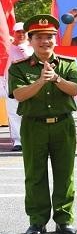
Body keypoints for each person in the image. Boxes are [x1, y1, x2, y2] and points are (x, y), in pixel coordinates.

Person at [8, 14, 77, 234]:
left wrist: (56, 79)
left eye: (49, 37)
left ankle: (64, 219)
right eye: (39, 37)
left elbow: (75, 89)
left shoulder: (69, 64)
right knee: (35, 175)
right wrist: (40, 80)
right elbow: (19, 95)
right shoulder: (19, 67)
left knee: (64, 174)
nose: (45, 41)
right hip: (33, 126)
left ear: (55, 39)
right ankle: (37, 221)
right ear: (30, 41)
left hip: (63, 125)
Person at [4, 22, 33, 151]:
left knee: (31, 112)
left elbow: (35, 63)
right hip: (11, 84)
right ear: (13, 33)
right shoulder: (7, 47)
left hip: (30, 84)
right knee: (13, 112)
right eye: (18, 32)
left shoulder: (32, 47)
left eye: (23, 32)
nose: (21, 34)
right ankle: (17, 141)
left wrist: (26, 51)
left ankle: (32, 138)